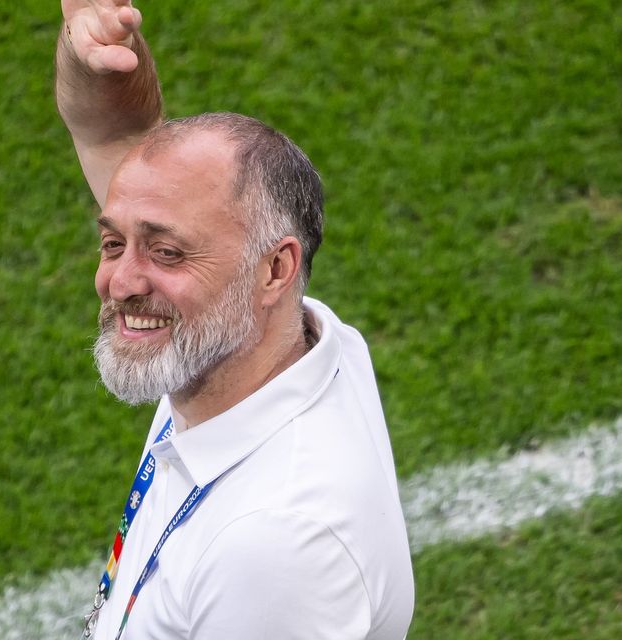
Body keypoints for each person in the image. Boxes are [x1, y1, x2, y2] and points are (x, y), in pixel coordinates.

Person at [55, 2, 415, 638]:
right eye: (114, 244)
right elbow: (121, 145)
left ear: (274, 270)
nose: (124, 282)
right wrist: (98, 61)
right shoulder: (259, 341)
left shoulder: (276, 545)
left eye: (166, 252)